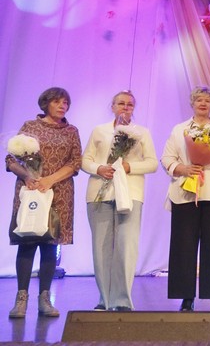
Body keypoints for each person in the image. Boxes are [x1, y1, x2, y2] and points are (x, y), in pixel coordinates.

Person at [161, 86, 210, 313]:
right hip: (185, 193)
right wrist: (183, 168)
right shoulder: (180, 130)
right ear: (192, 104)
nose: (203, 104)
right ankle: (186, 297)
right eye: (199, 100)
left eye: (207, 100)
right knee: (183, 245)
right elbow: (167, 158)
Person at [7, 87, 82, 319]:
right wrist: (28, 176)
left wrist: (50, 179)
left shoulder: (71, 131)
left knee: (50, 243)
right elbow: (11, 159)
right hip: (30, 191)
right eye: (57, 102)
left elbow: (75, 162)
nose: (62, 106)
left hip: (58, 192)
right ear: (46, 103)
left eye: (66, 103)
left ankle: (45, 298)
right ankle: (21, 299)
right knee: (28, 241)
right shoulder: (30, 126)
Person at [81, 90, 158, 311]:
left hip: (130, 194)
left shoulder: (141, 133)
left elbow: (152, 163)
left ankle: (122, 300)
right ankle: (104, 299)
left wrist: (129, 166)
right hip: (100, 193)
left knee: (126, 246)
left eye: (130, 104)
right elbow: (85, 160)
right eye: (121, 103)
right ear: (113, 106)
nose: (125, 107)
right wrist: (99, 168)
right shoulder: (99, 130)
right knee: (101, 247)